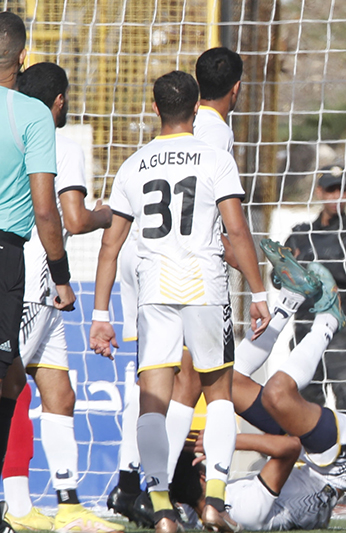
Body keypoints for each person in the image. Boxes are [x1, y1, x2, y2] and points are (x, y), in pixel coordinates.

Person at [88, 70, 270, 533]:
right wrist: (259, 291)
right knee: (220, 391)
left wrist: (101, 314)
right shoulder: (215, 159)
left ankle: (162, 507)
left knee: (153, 398)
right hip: (204, 284)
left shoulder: (133, 164)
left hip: (154, 290)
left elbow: (111, 246)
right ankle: (214, 500)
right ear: (196, 110)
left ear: (154, 109)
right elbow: (237, 230)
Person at [164, 246, 346, 532]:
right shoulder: (241, 510)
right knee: (277, 393)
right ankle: (330, 320)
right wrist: (227, 442)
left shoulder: (195, 514)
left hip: (312, 460)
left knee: (227, 381)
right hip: (341, 463)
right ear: (202, 477)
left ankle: (290, 298)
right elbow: (290, 447)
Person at [0, 62, 119, 532]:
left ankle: (67, 505)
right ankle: (18, 505)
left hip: (45, 287)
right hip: (32, 281)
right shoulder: (56, 141)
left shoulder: (21, 131)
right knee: (9, 388)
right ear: (59, 101)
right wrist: (108, 215)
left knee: (60, 393)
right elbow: (70, 217)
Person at [0, 12, 76, 531]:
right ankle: (18, 504)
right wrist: (63, 274)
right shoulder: (30, 114)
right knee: (6, 383)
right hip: (10, 255)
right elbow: (48, 211)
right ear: (22, 57)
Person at [284, 166, 346, 425]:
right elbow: (280, 275)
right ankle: (312, 449)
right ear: (320, 191)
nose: (337, 195)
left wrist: (308, 265)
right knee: (306, 388)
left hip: (344, 322)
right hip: (306, 321)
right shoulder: (301, 232)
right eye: (331, 189)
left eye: (343, 190)